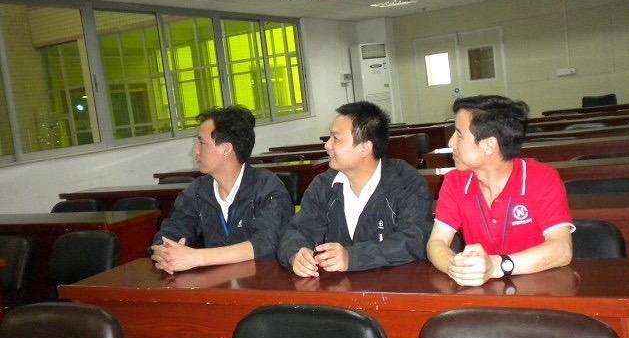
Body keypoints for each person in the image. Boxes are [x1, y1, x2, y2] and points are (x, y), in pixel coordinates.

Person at [427, 95, 574, 287]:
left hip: (538, 289)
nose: (451, 143)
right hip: (482, 291)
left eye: (459, 134)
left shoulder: (542, 178)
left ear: (489, 145)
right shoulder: (454, 182)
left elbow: (562, 249)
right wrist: (456, 267)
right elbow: (436, 243)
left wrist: (497, 265)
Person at [278, 101, 433, 276]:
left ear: (365, 147)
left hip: (395, 286)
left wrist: (353, 257)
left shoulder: (405, 181)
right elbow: (296, 231)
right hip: (337, 287)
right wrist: (295, 254)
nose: (327, 145)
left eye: (336, 138)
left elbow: (415, 238)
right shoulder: (324, 185)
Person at [151, 106, 293, 274]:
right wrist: (164, 251)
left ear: (226, 149)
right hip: (216, 281)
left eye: (201, 142)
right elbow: (172, 229)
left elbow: (266, 243)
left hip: (263, 281)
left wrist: (197, 257)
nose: (195, 150)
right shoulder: (197, 191)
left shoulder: (267, 188)